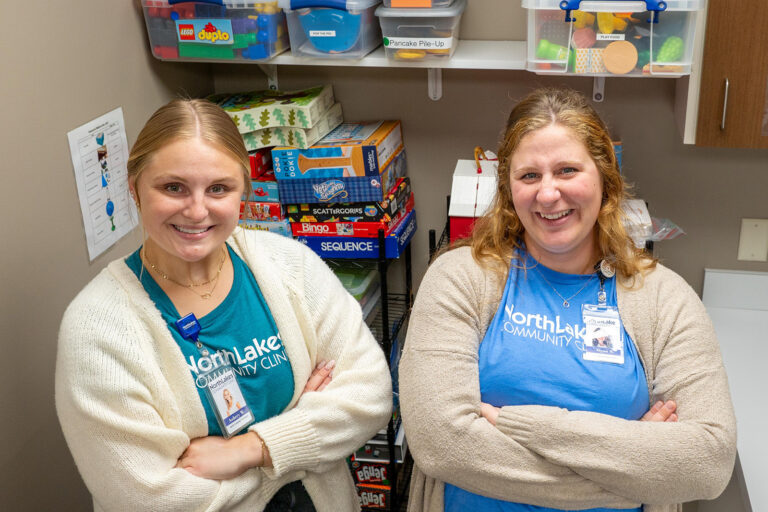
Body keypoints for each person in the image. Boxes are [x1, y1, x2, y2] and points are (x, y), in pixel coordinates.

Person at [399, 88, 737, 512]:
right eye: (529, 176)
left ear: (605, 180)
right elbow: (442, 447)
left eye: (567, 170)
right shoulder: (460, 279)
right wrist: (634, 470)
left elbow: (707, 461)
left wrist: (522, 425)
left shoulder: (664, 300)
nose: (547, 194)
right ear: (508, 188)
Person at [55, 98, 392, 511]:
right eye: (173, 187)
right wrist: (303, 438)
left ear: (243, 192)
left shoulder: (289, 265)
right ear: (134, 187)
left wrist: (250, 449)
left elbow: (371, 393)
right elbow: (147, 499)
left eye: (218, 188)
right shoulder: (97, 328)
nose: (197, 211)